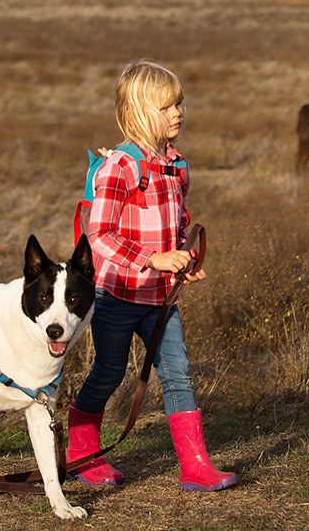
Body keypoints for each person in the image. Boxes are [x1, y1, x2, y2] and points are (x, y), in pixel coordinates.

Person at [65, 60, 237, 491]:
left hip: (162, 299)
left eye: (180, 103)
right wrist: (151, 259)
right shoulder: (119, 167)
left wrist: (183, 259)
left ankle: (195, 468)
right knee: (108, 373)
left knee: (177, 374)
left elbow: (177, 225)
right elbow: (98, 235)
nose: (178, 112)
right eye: (167, 106)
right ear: (142, 111)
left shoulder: (178, 166)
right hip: (118, 296)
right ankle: (81, 455)